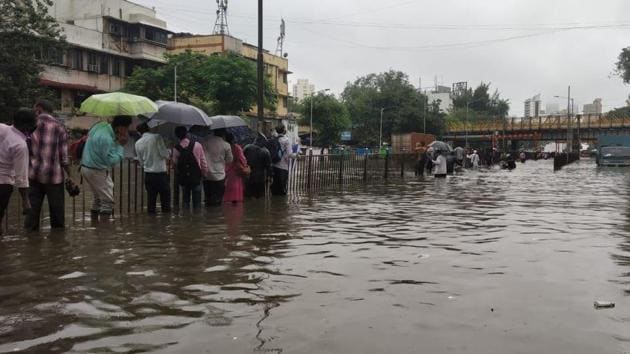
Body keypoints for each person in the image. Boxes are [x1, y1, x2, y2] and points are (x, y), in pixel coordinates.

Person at [24, 100, 72, 231]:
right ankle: (58, 246)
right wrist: (70, 175)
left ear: (38, 109)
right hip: (54, 177)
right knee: (57, 217)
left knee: (31, 214)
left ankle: (30, 245)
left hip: (33, 175)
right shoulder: (60, 127)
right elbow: (64, 157)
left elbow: (23, 150)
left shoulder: (29, 125)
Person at [80, 116, 132, 220]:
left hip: (85, 167)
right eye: (126, 128)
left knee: (98, 199)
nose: (127, 131)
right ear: (120, 127)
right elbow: (110, 161)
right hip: (96, 170)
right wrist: (120, 146)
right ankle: (105, 233)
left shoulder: (100, 126)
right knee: (107, 202)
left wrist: (115, 140)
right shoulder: (106, 139)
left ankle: (95, 228)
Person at [0, 109, 37, 234]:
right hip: (3, 184)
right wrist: (25, 201)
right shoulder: (20, 145)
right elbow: (21, 177)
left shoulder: (2, 128)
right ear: (27, 126)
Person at [135, 122, 171, 214]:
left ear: (139, 132)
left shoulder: (137, 143)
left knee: (151, 201)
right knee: (165, 201)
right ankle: (166, 224)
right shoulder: (157, 137)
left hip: (148, 175)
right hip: (160, 174)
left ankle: (151, 224)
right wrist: (169, 151)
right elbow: (164, 154)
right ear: (149, 129)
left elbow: (141, 162)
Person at [173, 126, 208, 210]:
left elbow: (175, 164)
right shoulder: (197, 145)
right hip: (196, 177)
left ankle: (186, 219)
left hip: (184, 178)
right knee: (197, 203)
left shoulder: (176, 148)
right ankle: (197, 219)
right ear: (187, 134)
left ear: (177, 136)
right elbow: (203, 161)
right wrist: (205, 173)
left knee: (185, 201)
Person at [202, 129, 233, 207]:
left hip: (207, 174)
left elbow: (202, 157)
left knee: (207, 199)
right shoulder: (226, 145)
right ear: (223, 135)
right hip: (219, 175)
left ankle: (207, 216)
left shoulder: (206, 142)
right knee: (218, 200)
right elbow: (229, 160)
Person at [223, 132, 248, 203]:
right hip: (235, 173)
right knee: (236, 197)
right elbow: (242, 159)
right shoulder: (236, 147)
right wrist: (244, 165)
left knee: (226, 196)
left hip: (225, 172)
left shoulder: (224, 147)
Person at [270, 125, 295, 196]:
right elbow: (290, 154)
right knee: (282, 189)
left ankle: (274, 204)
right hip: (283, 167)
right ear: (284, 130)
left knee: (275, 187)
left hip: (274, 166)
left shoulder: (274, 139)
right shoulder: (286, 140)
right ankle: (282, 206)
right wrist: (296, 155)